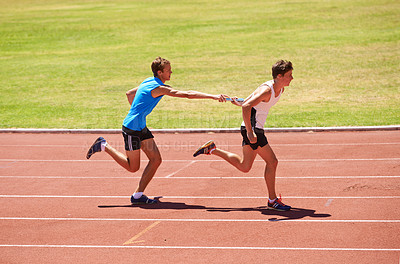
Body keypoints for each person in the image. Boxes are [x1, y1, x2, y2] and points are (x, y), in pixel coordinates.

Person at [86, 57, 229, 204]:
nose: (171, 72)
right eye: (168, 70)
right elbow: (186, 94)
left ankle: (137, 196)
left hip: (140, 126)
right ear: (159, 72)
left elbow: (129, 93)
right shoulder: (158, 88)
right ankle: (103, 145)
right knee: (133, 167)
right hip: (132, 129)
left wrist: (138, 112)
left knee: (156, 160)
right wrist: (213, 96)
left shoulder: (149, 80)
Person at [193, 60, 294, 211]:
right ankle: (272, 200)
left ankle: (212, 149)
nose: (292, 78)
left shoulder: (279, 89)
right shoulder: (267, 90)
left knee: (245, 166)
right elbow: (247, 106)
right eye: (289, 75)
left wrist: (239, 101)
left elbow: (249, 102)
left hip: (253, 128)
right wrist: (250, 132)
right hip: (253, 130)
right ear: (279, 76)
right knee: (272, 162)